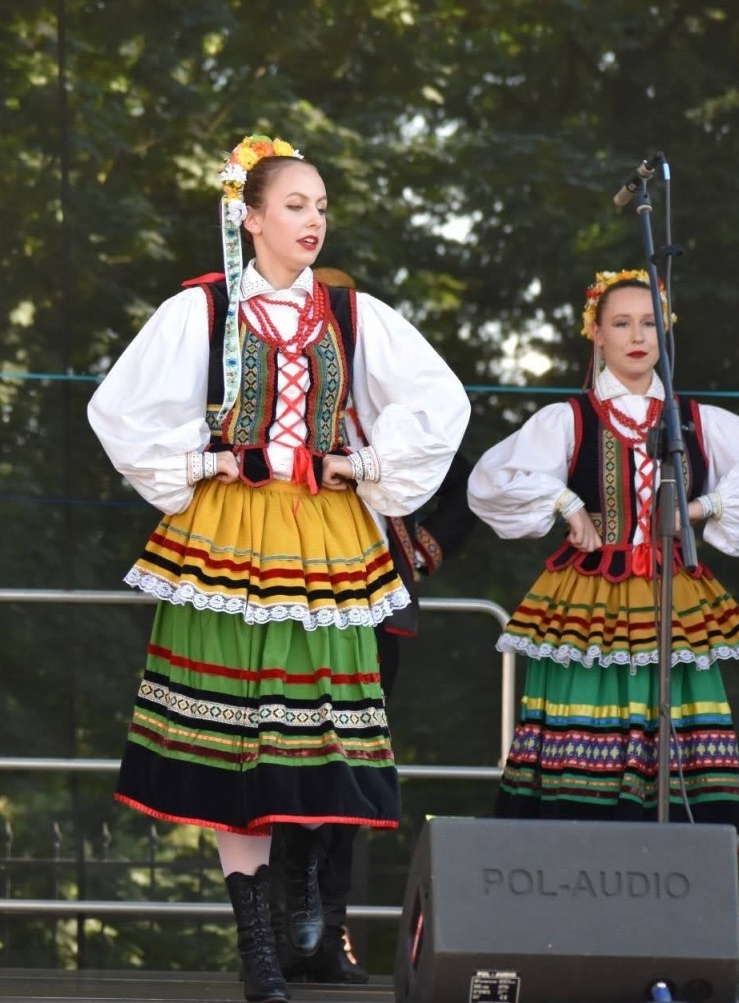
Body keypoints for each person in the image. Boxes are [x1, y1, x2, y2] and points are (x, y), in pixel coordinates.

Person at [88, 135, 469, 1003]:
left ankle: (307, 920)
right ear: (250, 217)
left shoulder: (352, 314)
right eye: (296, 205)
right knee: (232, 738)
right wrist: (203, 459)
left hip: (327, 539)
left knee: (307, 736)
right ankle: (256, 942)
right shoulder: (203, 307)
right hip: (230, 534)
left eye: (322, 206)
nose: (313, 220)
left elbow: (440, 400)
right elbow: (119, 408)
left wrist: (364, 466)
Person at [467, 269, 739, 832]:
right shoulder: (569, 419)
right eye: (621, 323)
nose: (638, 335)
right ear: (596, 334)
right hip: (590, 599)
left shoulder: (696, 421)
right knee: (584, 724)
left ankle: (677, 867)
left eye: (649, 322)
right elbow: (492, 482)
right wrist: (566, 502)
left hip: (672, 595)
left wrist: (701, 508)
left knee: (676, 725)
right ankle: (570, 861)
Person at [266, 268, 480, 986]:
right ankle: (279, 936)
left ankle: (328, 935)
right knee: (281, 756)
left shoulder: (389, 414)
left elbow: (465, 478)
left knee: (352, 762)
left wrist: (424, 547)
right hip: (286, 601)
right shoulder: (268, 405)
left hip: (374, 607)